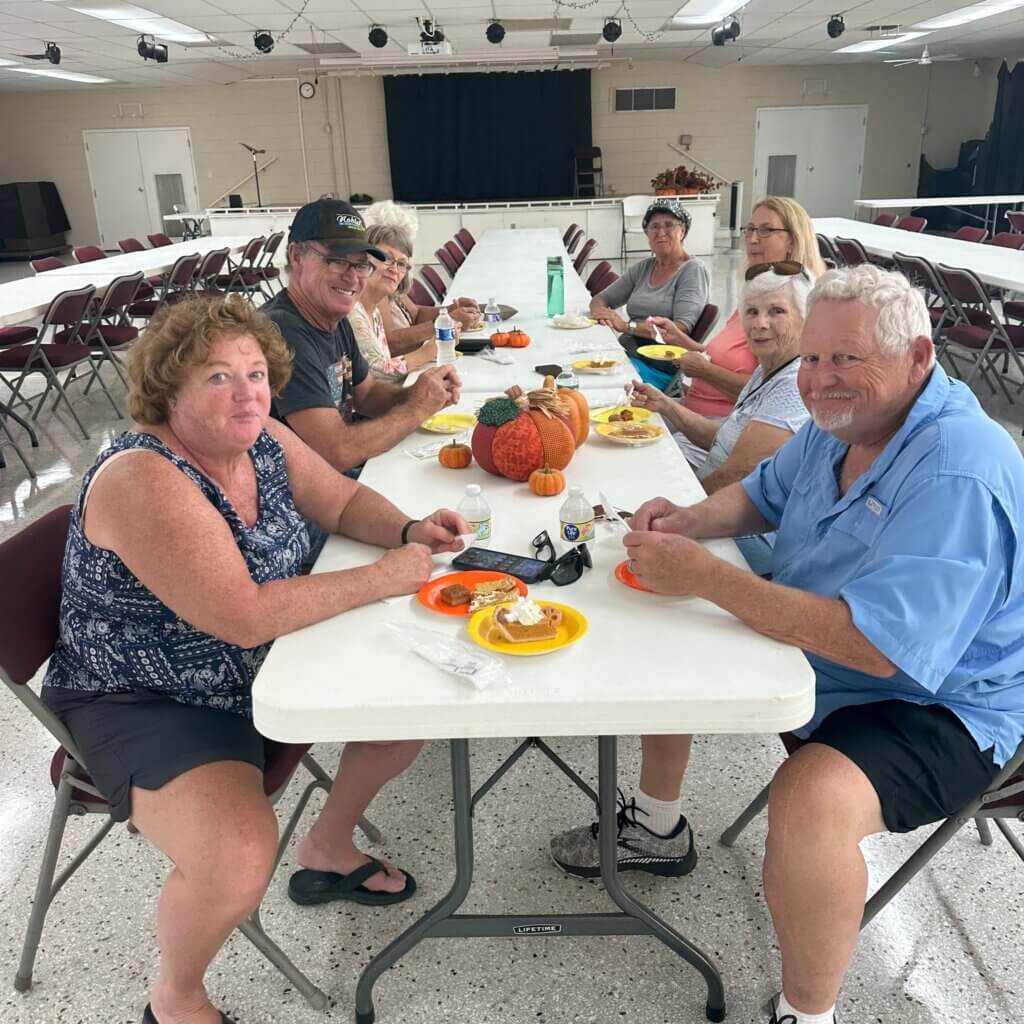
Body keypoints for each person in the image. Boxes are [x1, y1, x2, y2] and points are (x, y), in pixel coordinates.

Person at [551, 266, 1024, 1024]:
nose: (820, 379)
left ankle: (808, 1013)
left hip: (943, 703)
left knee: (811, 798)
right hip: (830, 652)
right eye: (813, 357)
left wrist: (709, 578)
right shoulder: (843, 425)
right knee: (668, 624)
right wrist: (687, 523)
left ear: (919, 359)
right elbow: (764, 493)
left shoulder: (958, 471)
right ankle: (658, 826)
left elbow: (883, 651)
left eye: (847, 359)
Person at [41, 295, 469, 1024]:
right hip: (146, 696)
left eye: (254, 373)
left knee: (411, 702)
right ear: (168, 392)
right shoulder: (144, 478)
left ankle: (329, 847)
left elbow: (336, 500)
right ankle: (175, 1000)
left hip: (264, 663)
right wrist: (383, 577)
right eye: (216, 377)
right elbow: (239, 616)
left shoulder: (260, 436)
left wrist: (406, 528)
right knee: (237, 859)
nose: (246, 392)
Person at [631, 263, 812, 574]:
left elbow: (739, 471)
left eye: (776, 312)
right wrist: (666, 405)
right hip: (716, 511)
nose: (760, 323)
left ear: (805, 319)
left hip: (749, 537)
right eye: (752, 312)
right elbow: (724, 440)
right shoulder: (767, 368)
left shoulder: (793, 385)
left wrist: (684, 509)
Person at [263, 199, 461, 476]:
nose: (353, 277)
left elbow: (368, 396)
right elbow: (335, 451)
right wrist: (415, 409)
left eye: (360, 265)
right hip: (302, 494)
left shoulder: (334, 316)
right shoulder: (282, 332)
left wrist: (419, 394)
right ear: (296, 257)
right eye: (338, 261)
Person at [647, 197, 826, 451]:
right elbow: (724, 359)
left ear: (793, 241)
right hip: (697, 415)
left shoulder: (796, 308)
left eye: (766, 230)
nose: (752, 239)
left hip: (717, 427)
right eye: (750, 229)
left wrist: (705, 372)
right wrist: (682, 341)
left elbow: (770, 392)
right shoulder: (755, 291)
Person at [589, 199, 710, 384]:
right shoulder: (644, 267)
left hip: (659, 366)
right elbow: (601, 298)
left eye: (669, 225)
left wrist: (626, 326)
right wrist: (601, 312)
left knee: (591, 382)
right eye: (654, 227)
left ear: (682, 231)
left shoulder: (692, 270)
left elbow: (679, 329)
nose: (661, 232)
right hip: (628, 353)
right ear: (647, 233)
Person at [347, 225, 439, 383]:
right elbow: (379, 372)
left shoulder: (374, 310)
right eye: (386, 258)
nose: (394, 270)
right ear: (362, 260)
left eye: (402, 264)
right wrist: (428, 351)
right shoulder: (352, 311)